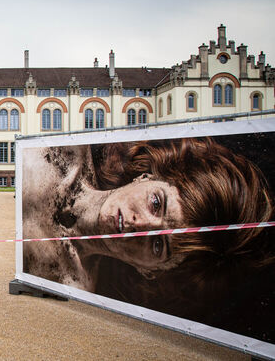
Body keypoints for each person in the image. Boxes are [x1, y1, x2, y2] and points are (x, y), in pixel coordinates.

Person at [22, 137, 274, 322]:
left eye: (158, 245)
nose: (139, 225)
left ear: (151, 271)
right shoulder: (60, 153)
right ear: (148, 176)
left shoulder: (72, 290)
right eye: (156, 204)